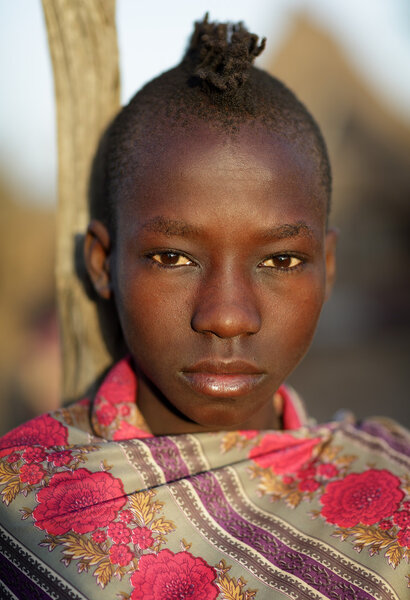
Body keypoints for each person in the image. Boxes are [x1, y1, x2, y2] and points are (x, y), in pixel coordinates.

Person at [0, 15, 409, 600]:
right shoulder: (16, 508)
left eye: (281, 262)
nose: (227, 317)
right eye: (172, 257)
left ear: (329, 267)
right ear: (101, 263)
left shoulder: (395, 488)